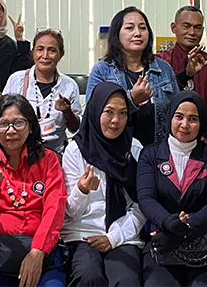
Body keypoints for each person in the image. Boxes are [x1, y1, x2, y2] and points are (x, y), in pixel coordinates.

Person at [0, 94, 67, 287]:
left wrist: (38, 251)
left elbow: (55, 209)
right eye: (3, 124)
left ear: (31, 127)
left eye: (19, 123)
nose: (11, 131)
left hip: (39, 249)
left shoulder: (48, 160)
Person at [137, 91, 207, 287]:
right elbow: (146, 198)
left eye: (193, 119)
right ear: (170, 117)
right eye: (179, 117)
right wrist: (168, 223)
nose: (185, 124)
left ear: (201, 122)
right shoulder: (150, 154)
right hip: (163, 241)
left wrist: (183, 230)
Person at [62, 82, 145, 287]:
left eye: (123, 113)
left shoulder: (134, 149)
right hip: (82, 234)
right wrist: (81, 190)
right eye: (108, 112)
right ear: (96, 110)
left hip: (123, 233)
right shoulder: (76, 150)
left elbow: (142, 205)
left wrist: (113, 237)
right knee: (88, 276)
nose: (115, 120)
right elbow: (69, 213)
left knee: (126, 280)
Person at [87, 7, 179, 146]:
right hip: (115, 150)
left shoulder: (163, 68)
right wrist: (131, 100)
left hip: (157, 150)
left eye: (142, 28)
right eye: (130, 28)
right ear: (117, 34)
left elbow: (177, 110)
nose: (138, 33)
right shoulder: (102, 70)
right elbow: (92, 115)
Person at [156, 6, 207, 149]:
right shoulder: (158, 63)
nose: (192, 32)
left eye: (197, 28)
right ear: (173, 27)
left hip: (206, 146)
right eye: (186, 26)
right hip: (162, 145)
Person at [4, 29, 81, 157]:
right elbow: (1, 116)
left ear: (61, 55)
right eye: (40, 49)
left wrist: (67, 111)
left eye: (52, 50)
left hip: (56, 155)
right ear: (32, 53)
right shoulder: (17, 80)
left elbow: (75, 128)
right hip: (20, 154)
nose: (45, 56)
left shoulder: (69, 85)